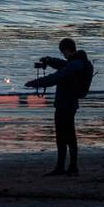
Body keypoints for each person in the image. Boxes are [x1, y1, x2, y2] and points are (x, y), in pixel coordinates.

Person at [25, 38, 94, 176]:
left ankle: (65, 167)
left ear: (67, 50)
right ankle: (68, 167)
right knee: (67, 135)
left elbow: (57, 76)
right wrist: (49, 60)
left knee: (64, 136)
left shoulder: (75, 64)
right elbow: (63, 65)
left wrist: (36, 83)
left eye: (63, 52)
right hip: (70, 103)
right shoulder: (79, 62)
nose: (63, 55)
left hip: (65, 103)